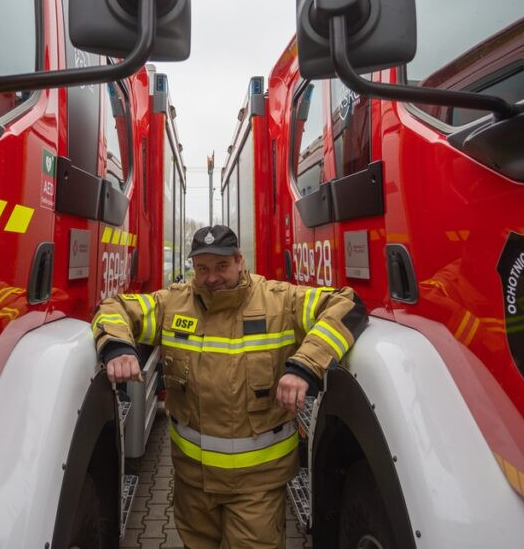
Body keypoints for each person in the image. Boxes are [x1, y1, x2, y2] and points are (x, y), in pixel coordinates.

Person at [92, 225, 368, 548]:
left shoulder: (279, 302)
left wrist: (304, 366)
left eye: (221, 266)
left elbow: (348, 306)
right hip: (193, 487)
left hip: (257, 488)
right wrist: (118, 348)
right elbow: (113, 308)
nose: (211, 278)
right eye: (202, 268)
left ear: (239, 261)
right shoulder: (173, 304)